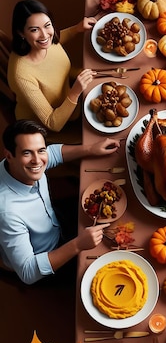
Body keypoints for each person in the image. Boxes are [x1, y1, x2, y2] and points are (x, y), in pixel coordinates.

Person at [0, 119, 120, 285]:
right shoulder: (7, 212)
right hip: (45, 256)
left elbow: (53, 153)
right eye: (27, 153)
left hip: (53, 220)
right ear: (9, 156)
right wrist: (77, 245)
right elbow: (28, 272)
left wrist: (91, 149)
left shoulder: (20, 165)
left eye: (40, 150)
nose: (37, 160)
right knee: (97, 273)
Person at [7, 0, 97, 139]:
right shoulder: (21, 74)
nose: (44, 35)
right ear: (21, 33)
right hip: (49, 125)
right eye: (34, 29)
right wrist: (76, 92)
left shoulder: (45, 42)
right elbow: (53, 123)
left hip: (70, 93)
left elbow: (55, 39)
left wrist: (77, 28)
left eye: (47, 25)